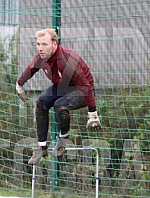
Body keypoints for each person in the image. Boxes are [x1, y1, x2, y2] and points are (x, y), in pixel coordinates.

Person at [16, 28, 101, 165]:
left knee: (60, 105)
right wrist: (19, 84)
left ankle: (63, 140)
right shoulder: (41, 58)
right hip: (63, 87)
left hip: (83, 90)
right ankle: (42, 147)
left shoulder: (65, 60)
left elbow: (86, 86)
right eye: (38, 44)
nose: (40, 48)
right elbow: (30, 69)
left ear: (54, 44)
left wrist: (93, 115)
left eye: (44, 44)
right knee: (41, 102)